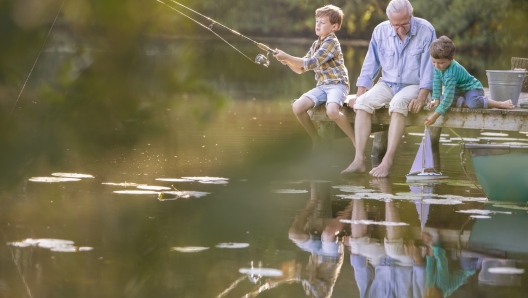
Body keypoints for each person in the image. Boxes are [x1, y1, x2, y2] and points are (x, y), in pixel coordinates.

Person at [342, 0, 436, 177]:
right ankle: (358, 160)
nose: (399, 29)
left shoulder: (426, 30)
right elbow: (370, 66)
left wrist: (422, 97)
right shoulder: (380, 31)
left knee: (398, 103)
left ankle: (387, 161)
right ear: (389, 20)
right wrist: (359, 95)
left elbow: (428, 70)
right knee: (362, 103)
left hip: (413, 85)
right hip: (388, 83)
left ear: (411, 15)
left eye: (404, 24)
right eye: (395, 25)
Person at [273, 5, 355, 151]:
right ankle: (316, 140)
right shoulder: (316, 44)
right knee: (297, 107)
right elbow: (301, 69)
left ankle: (356, 141)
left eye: (322, 22)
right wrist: (286, 61)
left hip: (338, 85)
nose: (318, 25)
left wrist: (287, 56)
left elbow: (312, 62)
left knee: (332, 111)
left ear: (334, 26)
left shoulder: (331, 42)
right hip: (322, 86)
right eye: (317, 21)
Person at [424, 36, 514, 126]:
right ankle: (464, 101)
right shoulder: (438, 67)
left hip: (472, 88)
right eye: (433, 62)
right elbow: (436, 82)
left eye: (441, 63)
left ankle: (500, 104)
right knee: (442, 99)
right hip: (458, 91)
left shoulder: (451, 73)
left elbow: (448, 98)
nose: (436, 66)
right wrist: (435, 100)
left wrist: (435, 116)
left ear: (451, 59)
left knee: (472, 103)